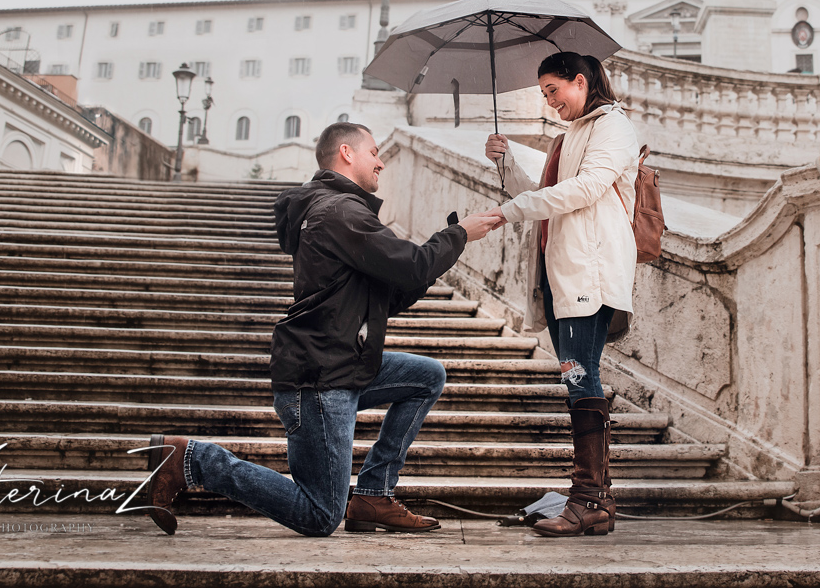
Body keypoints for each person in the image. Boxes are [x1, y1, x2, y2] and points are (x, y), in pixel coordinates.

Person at [141, 121, 504, 537]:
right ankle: (190, 459)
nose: (381, 162)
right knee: (319, 515)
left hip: (338, 364)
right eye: (373, 153)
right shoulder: (339, 211)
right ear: (347, 153)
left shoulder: (336, 211)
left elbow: (391, 295)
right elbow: (413, 263)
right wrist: (458, 234)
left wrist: (447, 248)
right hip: (317, 379)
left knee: (426, 376)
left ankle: (373, 495)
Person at [481, 52, 639, 538]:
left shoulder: (612, 126)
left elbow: (586, 189)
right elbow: (549, 195)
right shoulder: (568, 136)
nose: (550, 102)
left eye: (554, 91)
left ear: (580, 80)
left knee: (580, 375)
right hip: (560, 274)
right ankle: (596, 500)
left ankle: (588, 499)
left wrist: (511, 211)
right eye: (544, 95)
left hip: (589, 273)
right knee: (578, 375)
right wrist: (507, 163)